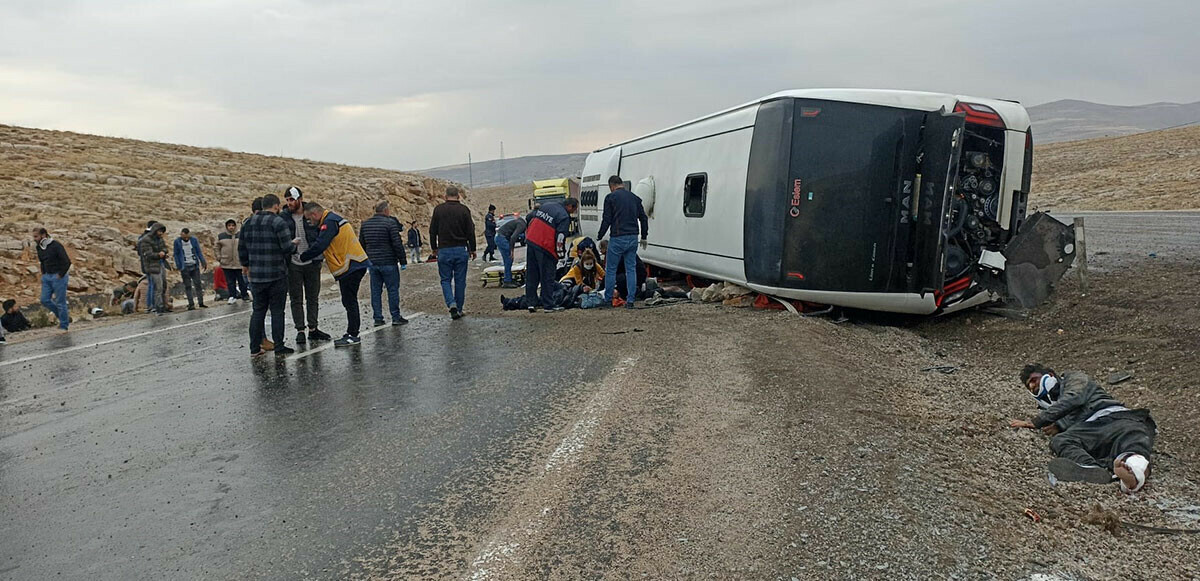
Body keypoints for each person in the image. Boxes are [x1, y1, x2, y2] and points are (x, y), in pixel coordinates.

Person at [1009, 364, 1156, 493]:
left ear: (1050, 375)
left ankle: (1133, 477)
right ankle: (1094, 469)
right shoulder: (1057, 410)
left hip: (1119, 418)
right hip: (1093, 431)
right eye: (1029, 386)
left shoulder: (1073, 378)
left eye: (1034, 380)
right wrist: (1060, 425)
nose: (1033, 386)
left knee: (1133, 445)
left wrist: (1037, 421)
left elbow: (1074, 397)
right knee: (1061, 440)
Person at [299, 202, 371, 347]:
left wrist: (302, 256)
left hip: (351, 265)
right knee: (348, 301)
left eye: (309, 219)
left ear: (314, 214)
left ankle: (353, 335)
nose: (310, 222)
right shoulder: (332, 219)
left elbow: (321, 244)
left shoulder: (329, 222)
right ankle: (352, 332)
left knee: (350, 301)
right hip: (353, 265)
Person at [238, 194, 296, 357]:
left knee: (258, 311)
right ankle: (279, 347)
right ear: (276, 206)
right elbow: (286, 248)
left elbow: (241, 248)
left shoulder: (248, 223)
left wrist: (246, 266)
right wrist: (294, 245)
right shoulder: (278, 222)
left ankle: (254, 348)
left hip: (256, 276)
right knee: (277, 311)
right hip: (276, 274)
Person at [282, 186, 331, 345]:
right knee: (296, 298)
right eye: (287, 200)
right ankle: (300, 330)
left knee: (313, 297)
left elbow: (321, 234)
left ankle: (313, 328)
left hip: (312, 262)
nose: (289, 203)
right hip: (293, 263)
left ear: (300, 199)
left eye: (292, 199)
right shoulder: (283, 217)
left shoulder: (311, 213)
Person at [597, 175, 649, 309]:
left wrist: (600, 235)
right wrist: (644, 236)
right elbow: (643, 218)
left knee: (611, 270)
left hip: (618, 237)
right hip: (633, 237)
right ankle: (630, 301)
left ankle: (608, 300)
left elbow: (607, 219)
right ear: (622, 184)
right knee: (631, 269)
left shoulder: (610, 198)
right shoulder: (635, 198)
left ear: (612, 186)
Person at [359, 200, 410, 327]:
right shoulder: (390, 224)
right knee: (392, 290)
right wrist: (403, 260)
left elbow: (362, 245)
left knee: (375, 291)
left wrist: (365, 261)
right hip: (389, 262)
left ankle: (377, 318)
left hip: (373, 264)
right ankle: (395, 317)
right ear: (386, 210)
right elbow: (397, 244)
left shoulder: (365, 225)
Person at [429, 186, 476, 320]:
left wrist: (434, 248)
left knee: (445, 280)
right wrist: (473, 249)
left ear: (445, 196)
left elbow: (433, 231)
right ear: (458, 196)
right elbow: (470, 232)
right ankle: (459, 308)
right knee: (460, 281)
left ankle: (451, 303)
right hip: (461, 249)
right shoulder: (464, 210)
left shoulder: (438, 210)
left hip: (444, 250)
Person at [524, 197, 578, 313]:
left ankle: (531, 303)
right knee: (547, 276)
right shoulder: (564, 216)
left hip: (531, 241)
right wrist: (560, 255)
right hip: (545, 247)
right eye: (574, 209)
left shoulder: (546, 206)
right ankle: (548, 304)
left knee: (532, 274)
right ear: (570, 206)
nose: (573, 212)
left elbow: (532, 220)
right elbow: (560, 238)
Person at [32, 227, 72, 330]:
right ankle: (64, 317)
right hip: (47, 277)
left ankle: (64, 326)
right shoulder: (39, 247)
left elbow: (66, 261)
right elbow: (42, 261)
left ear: (43, 235)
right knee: (44, 300)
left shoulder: (56, 245)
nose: (34, 239)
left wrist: (61, 274)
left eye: (36, 236)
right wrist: (43, 274)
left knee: (60, 302)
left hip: (58, 276)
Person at [137, 222, 171, 314]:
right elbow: (147, 254)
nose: (160, 233)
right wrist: (158, 255)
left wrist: (163, 253)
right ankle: (158, 308)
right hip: (152, 267)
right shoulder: (145, 240)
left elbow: (164, 248)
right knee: (158, 288)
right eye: (159, 231)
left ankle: (164, 306)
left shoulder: (160, 239)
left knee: (164, 286)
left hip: (161, 264)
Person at [173, 228, 208, 310]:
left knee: (198, 284)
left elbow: (198, 251)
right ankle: (191, 304)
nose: (185, 238)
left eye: (187, 236)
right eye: (183, 236)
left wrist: (203, 261)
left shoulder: (194, 240)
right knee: (188, 286)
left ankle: (201, 302)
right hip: (184, 267)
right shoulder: (177, 242)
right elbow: (176, 254)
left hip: (194, 266)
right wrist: (179, 265)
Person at [217, 219, 249, 304]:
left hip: (239, 263)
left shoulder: (240, 235)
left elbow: (245, 246)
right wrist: (219, 257)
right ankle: (232, 296)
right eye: (229, 225)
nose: (231, 227)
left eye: (232, 225)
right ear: (227, 227)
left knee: (242, 280)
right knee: (230, 281)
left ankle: (244, 295)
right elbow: (217, 248)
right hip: (227, 263)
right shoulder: (221, 236)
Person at [495, 214, 526, 288]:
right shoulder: (522, 225)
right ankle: (507, 281)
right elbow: (513, 237)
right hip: (502, 238)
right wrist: (512, 251)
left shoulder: (519, 222)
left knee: (508, 260)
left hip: (499, 237)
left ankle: (508, 278)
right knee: (508, 259)